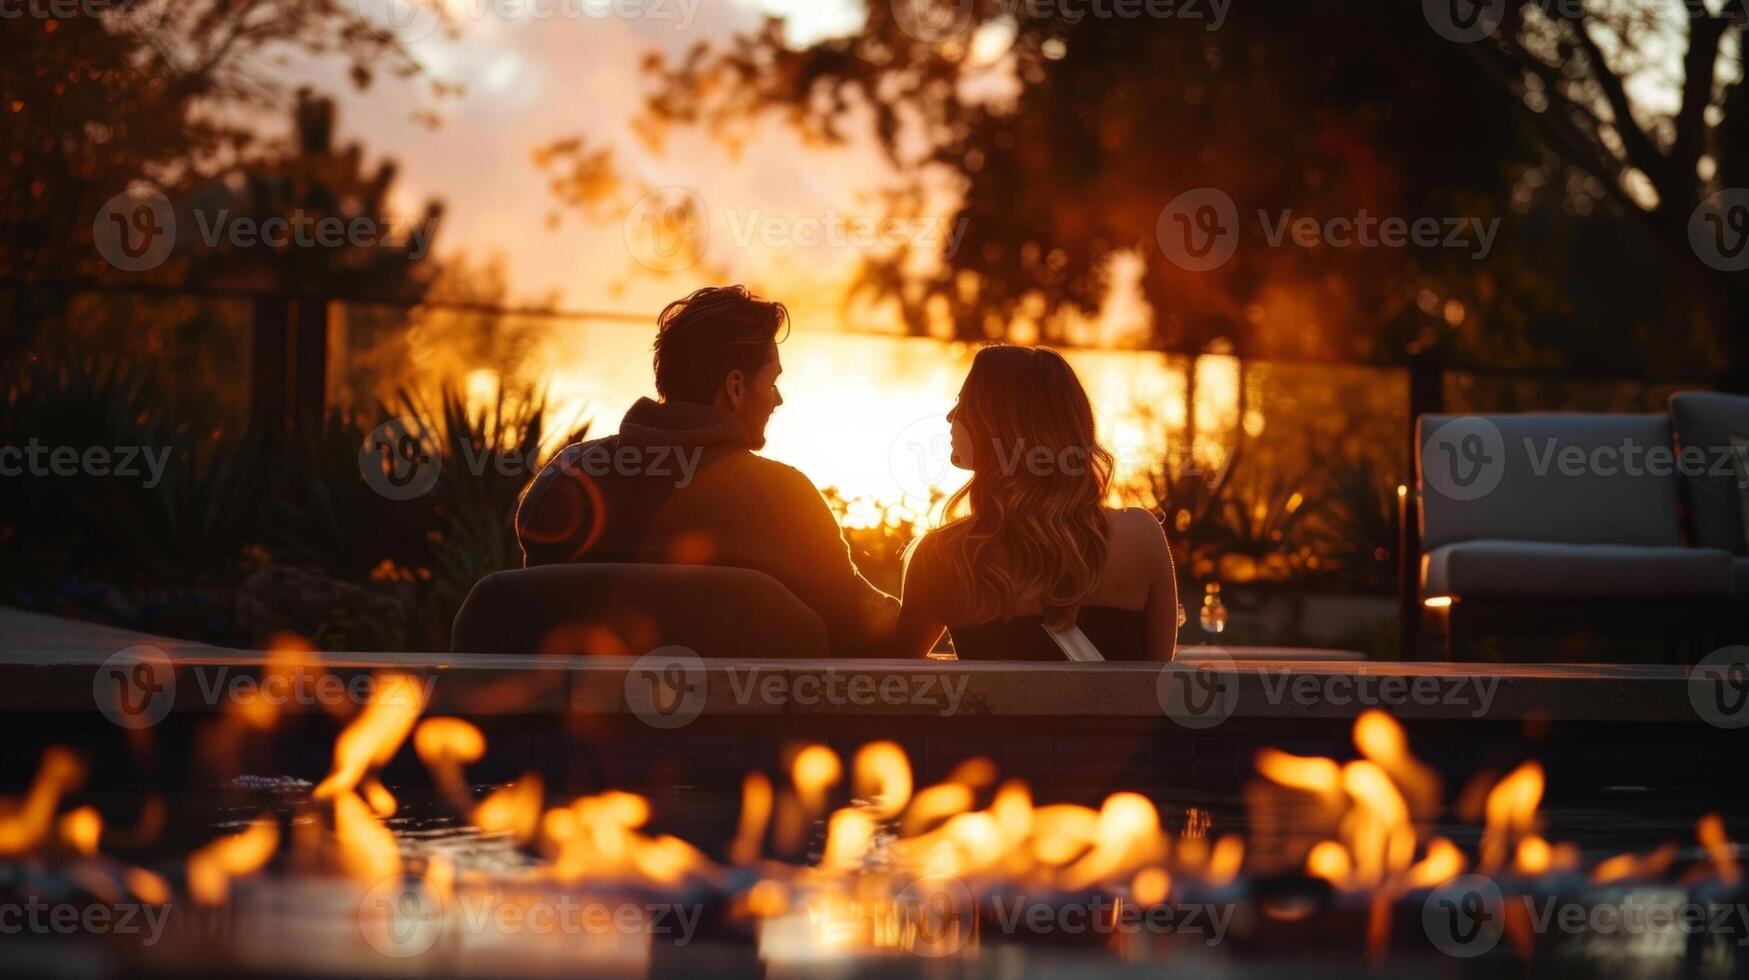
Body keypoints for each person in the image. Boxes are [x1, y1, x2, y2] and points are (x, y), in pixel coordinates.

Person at [514, 285, 898, 655]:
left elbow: (526, 623)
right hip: (753, 723)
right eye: (772, 381)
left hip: (558, 722)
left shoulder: (568, 476)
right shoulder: (783, 498)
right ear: (734, 388)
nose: (777, 399)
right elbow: (869, 628)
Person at [894, 345, 1179, 661]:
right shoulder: (1140, 537)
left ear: (998, 423)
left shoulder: (943, 557)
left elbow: (900, 679)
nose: (951, 416)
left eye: (964, 403)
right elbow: (1159, 683)